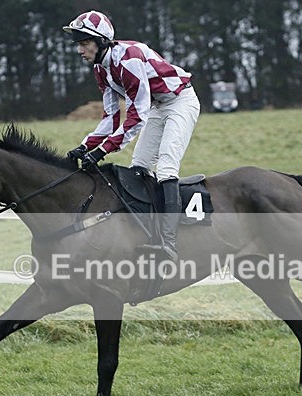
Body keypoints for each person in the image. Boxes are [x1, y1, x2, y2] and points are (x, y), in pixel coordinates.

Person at [63, 10, 200, 262]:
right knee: (139, 167)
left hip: (181, 101)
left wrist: (103, 151)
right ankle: (147, 234)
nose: (80, 50)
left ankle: (169, 243)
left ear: (101, 41)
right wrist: (84, 146)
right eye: (78, 45)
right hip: (158, 106)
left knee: (167, 167)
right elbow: (111, 118)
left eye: (84, 43)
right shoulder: (101, 69)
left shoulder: (128, 59)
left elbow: (137, 116)